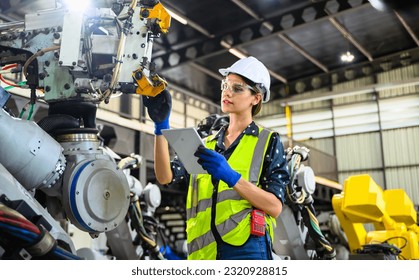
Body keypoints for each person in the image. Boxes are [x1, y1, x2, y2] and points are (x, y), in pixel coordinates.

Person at [143, 56, 290, 260]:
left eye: (237, 88)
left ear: (256, 98)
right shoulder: (205, 141)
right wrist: (160, 128)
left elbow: (274, 207)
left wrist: (231, 177)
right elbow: (165, 177)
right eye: (225, 85)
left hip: (245, 250)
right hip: (202, 252)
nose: (227, 92)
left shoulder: (267, 141)